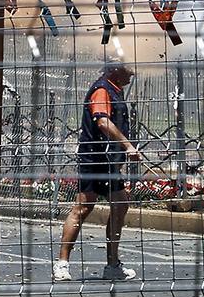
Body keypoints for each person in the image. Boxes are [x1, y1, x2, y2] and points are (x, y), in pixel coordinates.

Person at [53, 58, 141, 282]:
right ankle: (62, 264)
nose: (132, 74)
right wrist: (128, 146)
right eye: (127, 69)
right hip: (94, 159)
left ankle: (112, 265)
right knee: (83, 207)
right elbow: (102, 122)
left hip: (108, 161)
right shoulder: (102, 90)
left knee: (120, 204)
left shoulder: (115, 90)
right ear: (114, 70)